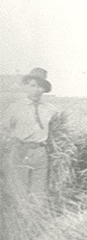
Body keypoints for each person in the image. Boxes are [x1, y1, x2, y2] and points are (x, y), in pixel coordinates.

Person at [3, 68, 56, 206]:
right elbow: (4, 129)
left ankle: (36, 223)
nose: (36, 90)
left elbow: (55, 130)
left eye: (40, 86)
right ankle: (21, 223)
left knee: (38, 195)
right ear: (26, 86)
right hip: (20, 152)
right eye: (33, 85)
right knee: (19, 195)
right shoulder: (15, 107)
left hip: (40, 153)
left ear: (44, 89)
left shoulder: (50, 109)